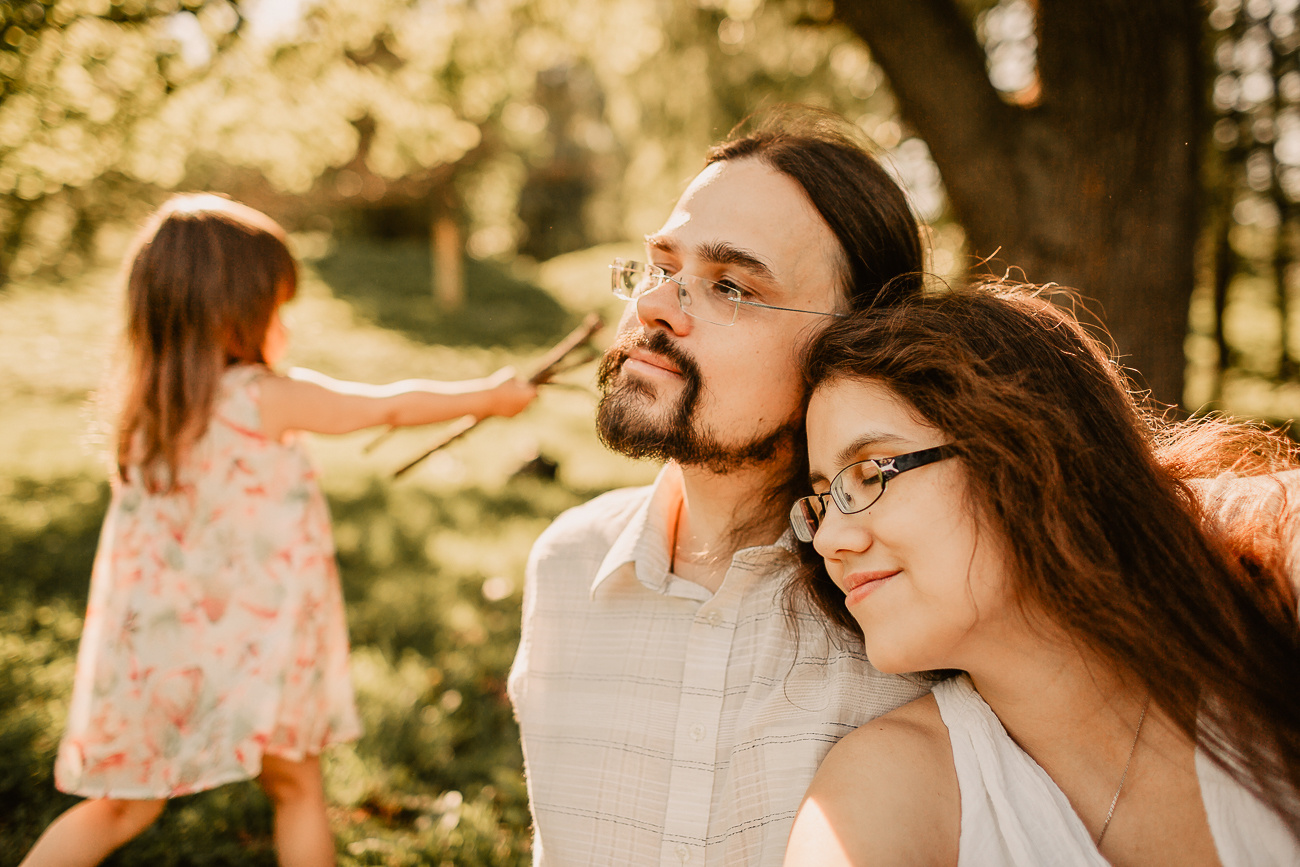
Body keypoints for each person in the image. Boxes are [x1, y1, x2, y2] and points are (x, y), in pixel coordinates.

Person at [20, 194, 536, 867]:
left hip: (157, 650)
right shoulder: (261, 396)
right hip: (263, 641)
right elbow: (388, 406)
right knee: (295, 785)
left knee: (122, 802)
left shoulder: (146, 411)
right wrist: (489, 396)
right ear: (236, 310)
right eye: (274, 306)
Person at [508, 107, 933, 866]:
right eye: (661, 267)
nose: (651, 306)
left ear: (857, 345)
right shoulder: (564, 566)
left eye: (730, 285)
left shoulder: (914, 622)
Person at [783, 283, 1300, 866]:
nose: (828, 539)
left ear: (1026, 449)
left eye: (870, 474)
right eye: (823, 499)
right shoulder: (883, 791)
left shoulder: (1270, 617)